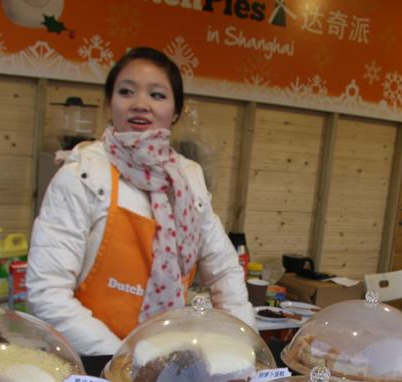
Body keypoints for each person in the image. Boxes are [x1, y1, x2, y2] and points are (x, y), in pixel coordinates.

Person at [27, 47, 254, 355]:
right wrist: (121, 361)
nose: (140, 105)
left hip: (163, 359)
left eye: (157, 95)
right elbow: (47, 292)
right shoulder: (82, 174)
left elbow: (225, 270)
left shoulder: (188, 179)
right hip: (89, 362)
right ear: (110, 103)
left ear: (175, 111)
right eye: (126, 92)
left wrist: (243, 347)